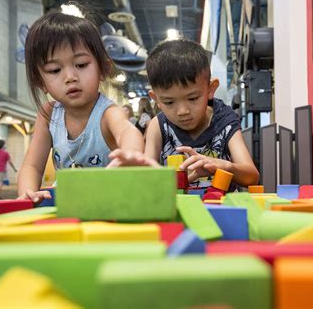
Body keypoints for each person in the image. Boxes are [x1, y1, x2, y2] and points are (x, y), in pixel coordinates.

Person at [17, 10, 144, 203]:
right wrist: (27, 193)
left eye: (81, 65)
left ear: (103, 69)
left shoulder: (107, 114)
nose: (70, 77)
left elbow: (128, 132)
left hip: (113, 205)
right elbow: (32, 166)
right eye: (54, 70)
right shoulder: (48, 115)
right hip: (71, 206)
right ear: (40, 81)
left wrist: (131, 154)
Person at [109, 38, 259, 188]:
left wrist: (224, 166)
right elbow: (149, 179)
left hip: (220, 207)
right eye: (169, 102)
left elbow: (252, 176)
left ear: (211, 89)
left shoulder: (225, 120)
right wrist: (139, 170)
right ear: (156, 99)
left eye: (193, 98)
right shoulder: (158, 126)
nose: (182, 111)